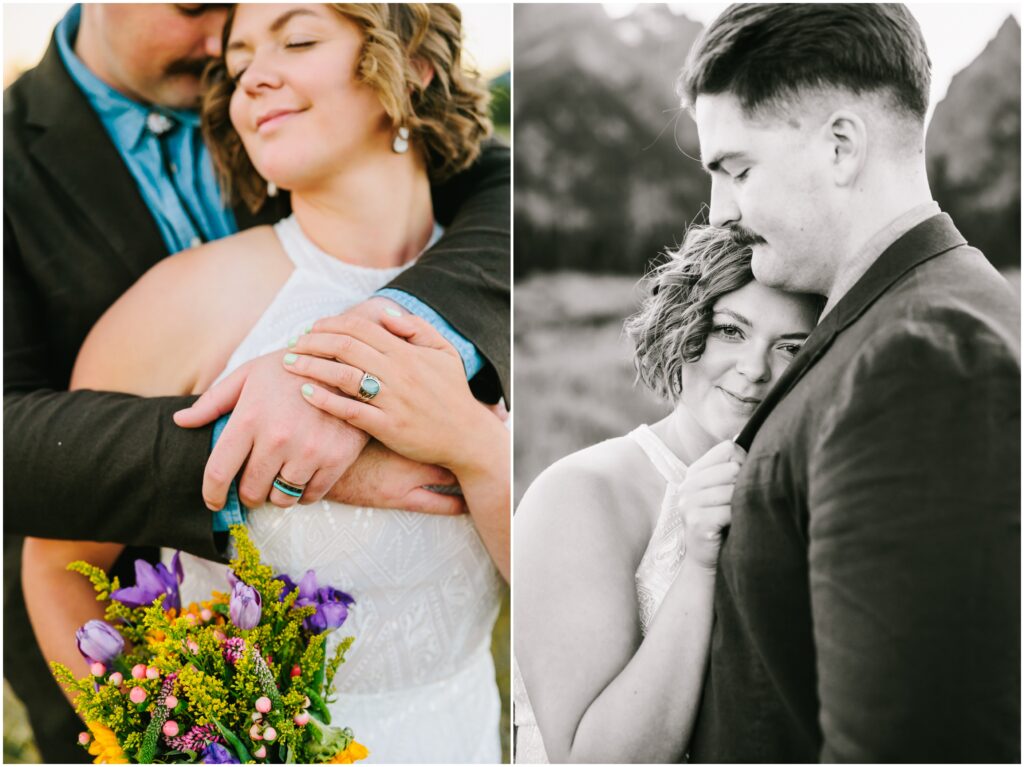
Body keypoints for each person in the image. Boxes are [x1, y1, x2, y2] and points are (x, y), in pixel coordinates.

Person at [4, 2, 508, 761]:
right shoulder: (175, 305)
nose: (241, 72)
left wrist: (477, 448)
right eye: (239, 65)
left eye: (298, 39)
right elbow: (52, 565)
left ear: (415, 65)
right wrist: (162, 745)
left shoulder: (491, 289)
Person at [678, 4, 1020, 761]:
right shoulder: (884, 318)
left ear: (841, 145)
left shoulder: (925, 358)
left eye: (736, 170)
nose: (720, 213)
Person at [513, 226, 822, 763]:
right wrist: (700, 561)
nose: (754, 370)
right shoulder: (579, 495)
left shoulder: (813, 492)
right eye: (731, 331)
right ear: (685, 326)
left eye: (791, 347)